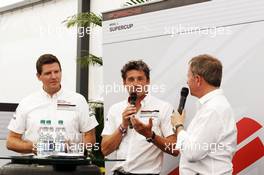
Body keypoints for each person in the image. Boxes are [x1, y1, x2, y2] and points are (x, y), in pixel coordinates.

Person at [6, 54, 98, 154]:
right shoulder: (26, 102)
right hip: (35, 166)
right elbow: (11, 142)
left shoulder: (78, 100)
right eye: (48, 73)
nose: (54, 76)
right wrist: (36, 147)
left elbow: (91, 139)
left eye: (56, 72)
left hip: (70, 166)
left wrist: (72, 148)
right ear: (38, 76)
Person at [101, 60, 178, 175]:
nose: (135, 83)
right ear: (124, 83)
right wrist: (123, 126)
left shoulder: (163, 107)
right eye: (131, 79)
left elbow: (175, 149)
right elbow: (105, 150)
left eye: (140, 79)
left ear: (148, 81)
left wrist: (150, 135)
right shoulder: (115, 109)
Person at [171, 54, 237, 174]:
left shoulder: (213, 108)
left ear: (197, 79)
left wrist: (179, 126)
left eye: (188, 76)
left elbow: (192, 153)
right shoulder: (212, 105)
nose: (187, 81)